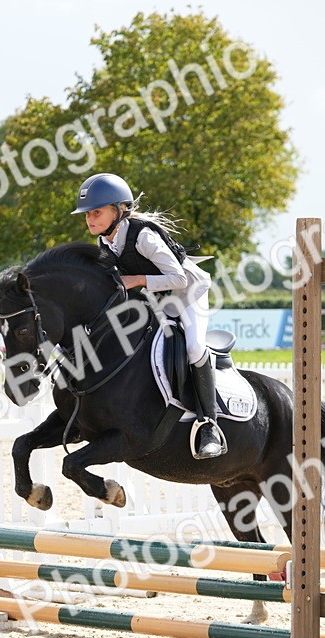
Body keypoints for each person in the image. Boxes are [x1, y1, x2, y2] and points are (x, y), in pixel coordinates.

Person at [72, 172, 226, 459]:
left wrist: (137, 279)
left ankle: (210, 425)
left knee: (194, 347)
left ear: (118, 210)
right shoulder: (105, 243)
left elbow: (179, 279)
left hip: (189, 293)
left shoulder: (143, 236)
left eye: (96, 212)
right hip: (160, 297)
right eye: (87, 214)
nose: (89, 219)